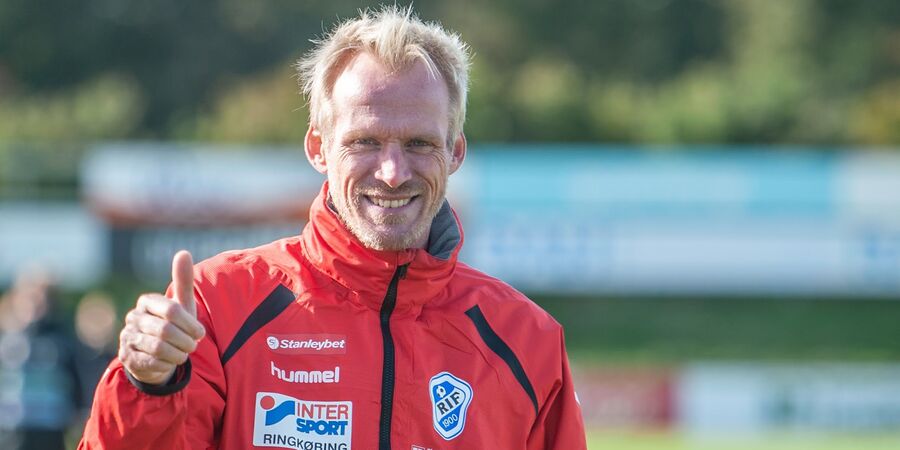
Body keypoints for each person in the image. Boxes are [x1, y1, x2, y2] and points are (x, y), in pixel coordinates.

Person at [79, 6, 586, 449]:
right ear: (318, 148)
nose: (393, 172)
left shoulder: (528, 342)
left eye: (419, 144)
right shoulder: (220, 306)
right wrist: (147, 387)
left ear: (454, 153)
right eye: (365, 142)